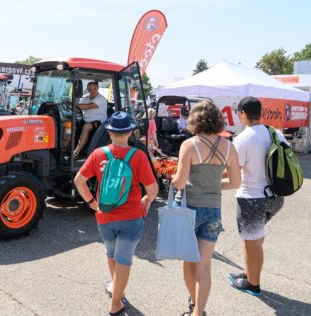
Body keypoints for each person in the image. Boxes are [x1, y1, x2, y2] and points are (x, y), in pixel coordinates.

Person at [74, 111, 158, 316]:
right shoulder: (138, 155)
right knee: (124, 259)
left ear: (110, 132)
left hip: (105, 216)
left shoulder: (98, 154)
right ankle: (115, 304)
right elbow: (153, 188)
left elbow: (79, 181)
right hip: (131, 216)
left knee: (112, 255)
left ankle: (116, 289)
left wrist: (93, 203)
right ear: (129, 132)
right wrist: (146, 201)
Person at [171, 100, 241, 316]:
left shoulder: (189, 145)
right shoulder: (229, 146)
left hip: (189, 209)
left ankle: (193, 301)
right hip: (213, 211)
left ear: (194, 119)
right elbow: (236, 183)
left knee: (187, 261)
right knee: (204, 265)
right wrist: (212, 186)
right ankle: (198, 312)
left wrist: (173, 177)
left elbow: (180, 182)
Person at [228, 97, 286, 296]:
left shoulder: (243, 138)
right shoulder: (274, 132)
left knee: (251, 242)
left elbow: (233, 170)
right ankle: (248, 272)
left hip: (252, 198)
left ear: (243, 113)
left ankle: (253, 284)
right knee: (254, 238)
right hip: (276, 197)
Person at [74, 82, 108, 158]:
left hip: (99, 123)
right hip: (86, 120)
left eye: (94, 88)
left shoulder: (101, 98)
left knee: (86, 127)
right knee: (72, 125)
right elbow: (79, 108)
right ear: (88, 89)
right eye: (90, 89)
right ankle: (66, 147)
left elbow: (88, 106)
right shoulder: (86, 98)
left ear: (97, 89)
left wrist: (74, 105)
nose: (92, 91)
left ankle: (76, 152)